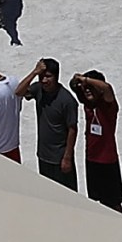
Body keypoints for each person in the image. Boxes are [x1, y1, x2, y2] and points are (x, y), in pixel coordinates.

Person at [73, 70, 122, 212]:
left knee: (113, 201)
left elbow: (107, 88)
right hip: (91, 158)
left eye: (91, 87)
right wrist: (79, 81)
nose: (87, 90)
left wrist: (86, 80)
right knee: (96, 199)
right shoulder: (88, 104)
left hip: (107, 160)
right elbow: (73, 85)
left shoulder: (108, 105)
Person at [27, 58, 79, 191]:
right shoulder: (38, 90)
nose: (44, 80)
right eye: (41, 77)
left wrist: (67, 158)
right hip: (43, 156)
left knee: (67, 195)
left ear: (56, 77)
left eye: (48, 76)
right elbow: (18, 92)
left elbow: (72, 129)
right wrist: (34, 72)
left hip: (60, 159)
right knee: (48, 193)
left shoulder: (67, 100)